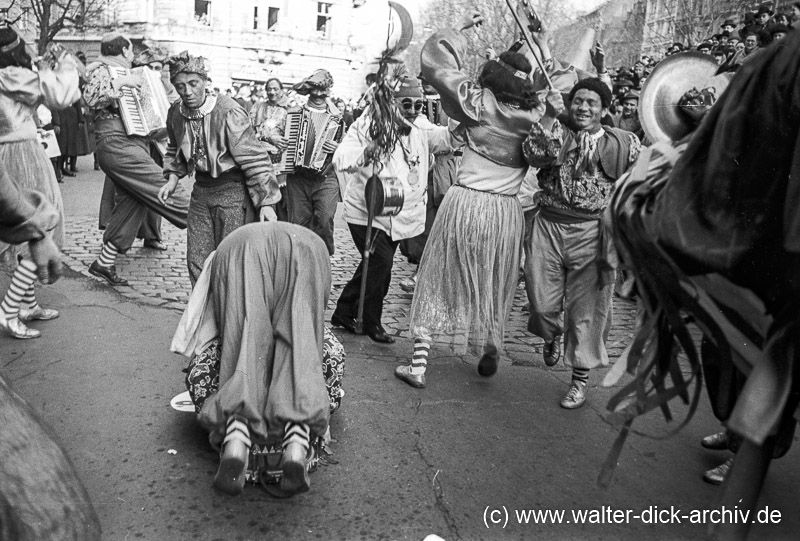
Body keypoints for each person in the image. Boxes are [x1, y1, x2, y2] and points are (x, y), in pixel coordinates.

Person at [393, 14, 545, 388]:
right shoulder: (535, 118)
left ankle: (419, 362)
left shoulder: (478, 104)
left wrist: (458, 33)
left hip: (464, 204)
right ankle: (492, 340)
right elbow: (561, 88)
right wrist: (541, 46)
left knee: (438, 275)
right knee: (495, 278)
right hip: (505, 211)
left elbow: (435, 64)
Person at [171, 222, 333, 497]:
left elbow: (210, 331)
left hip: (238, 246)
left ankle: (237, 436)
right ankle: (296, 440)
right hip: (308, 245)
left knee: (240, 342)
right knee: (303, 342)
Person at [523, 78, 641, 409]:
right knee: (542, 304)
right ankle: (551, 334)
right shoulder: (555, 131)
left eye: (591, 102)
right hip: (548, 227)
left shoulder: (625, 143)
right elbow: (533, 156)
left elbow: (649, 170)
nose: (583, 107)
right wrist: (548, 115)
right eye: (578, 101)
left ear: (604, 109)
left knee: (587, 312)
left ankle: (579, 381)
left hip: (593, 235)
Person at [331, 76, 453, 345]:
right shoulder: (368, 123)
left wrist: (458, 111)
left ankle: (344, 311)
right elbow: (341, 158)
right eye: (405, 104)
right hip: (368, 211)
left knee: (375, 265)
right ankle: (371, 321)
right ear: (392, 102)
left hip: (399, 213)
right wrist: (368, 150)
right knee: (381, 263)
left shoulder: (419, 126)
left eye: (418, 105)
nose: (412, 110)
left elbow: (446, 138)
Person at [158, 51, 280, 285]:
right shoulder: (176, 111)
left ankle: (230, 318)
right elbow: (175, 147)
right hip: (201, 192)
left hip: (232, 193)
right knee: (197, 260)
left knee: (230, 262)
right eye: (180, 86)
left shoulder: (228, 111)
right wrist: (172, 179)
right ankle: (204, 317)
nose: (187, 92)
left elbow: (255, 159)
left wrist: (267, 203)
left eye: (193, 84)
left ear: (205, 82)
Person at [83, 32, 189, 286]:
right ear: (123, 50)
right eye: (130, 51)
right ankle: (201, 216)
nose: (132, 56)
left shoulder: (127, 71)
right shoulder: (104, 69)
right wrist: (121, 83)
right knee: (160, 185)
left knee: (136, 200)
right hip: (116, 141)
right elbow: (90, 98)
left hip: (133, 141)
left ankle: (104, 262)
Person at [0, 28, 80, 339]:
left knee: (23, 233)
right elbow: (61, 96)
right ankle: (9, 310)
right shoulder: (12, 75)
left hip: (7, 155)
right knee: (41, 227)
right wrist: (61, 63)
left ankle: (27, 304)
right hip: (22, 153)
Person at [98, 45, 180, 252]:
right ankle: (113, 236)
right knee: (124, 193)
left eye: (158, 67)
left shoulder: (168, 87)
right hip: (131, 144)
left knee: (153, 191)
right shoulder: (133, 81)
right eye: (151, 67)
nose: (155, 71)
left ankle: (151, 235)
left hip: (157, 146)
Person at [284, 69, 343, 256]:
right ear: (308, 91)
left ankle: (323, 259)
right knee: (298, 224)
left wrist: (338, 147)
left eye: (322, 90)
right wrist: (276, 139)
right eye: (314, 89)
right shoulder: (293, 115)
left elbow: (351, 146)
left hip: (326, 177)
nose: (318, 94)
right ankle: (301, 264)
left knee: (325, 220)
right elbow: (272, 135)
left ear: (328, 91)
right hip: (298, 178)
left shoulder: (339, 118)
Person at [249, 77, 291, 221]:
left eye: (275, 89)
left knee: (281, 204)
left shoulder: (288, 111)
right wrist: (268, 137)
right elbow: (249, 132)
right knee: (261, 199)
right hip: (260, 159)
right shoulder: (257, 107)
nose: (272, 92)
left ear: (281, 91)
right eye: (269, 89)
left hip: (280, 162)